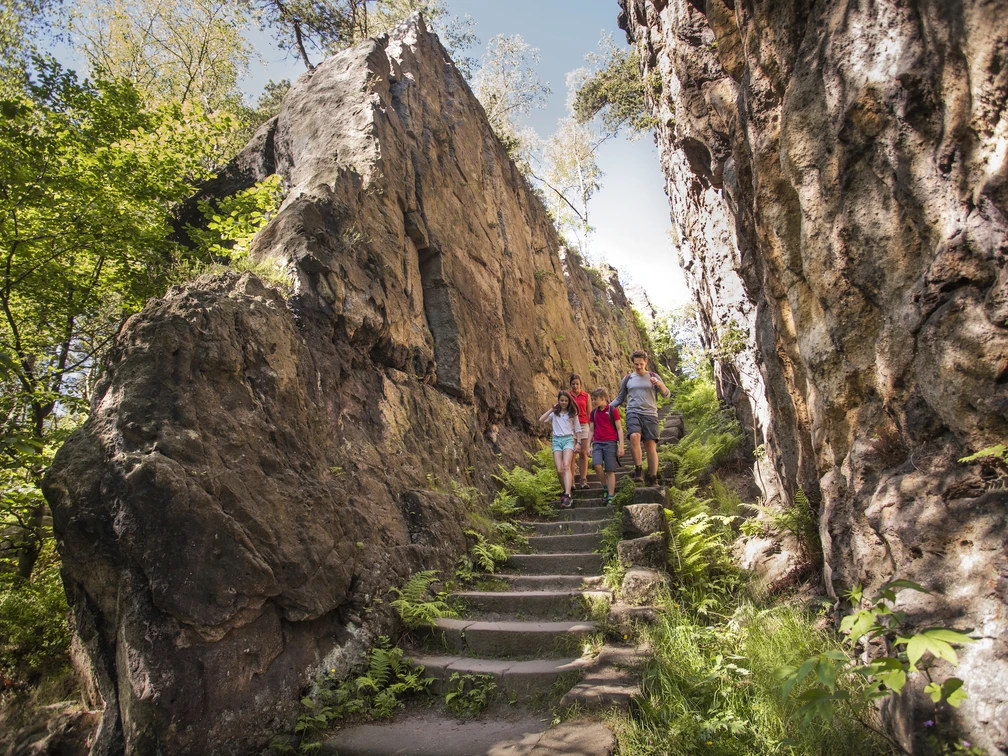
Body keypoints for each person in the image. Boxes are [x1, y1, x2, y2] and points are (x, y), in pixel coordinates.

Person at [610, 350, 670, 485]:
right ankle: (638, 469)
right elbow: (620, 398)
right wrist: (606, 408)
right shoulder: (627, 379)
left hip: (650, 414)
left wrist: (659, 384)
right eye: (636, 364)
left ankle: (653, 477)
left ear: (646, 362)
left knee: (650, 446)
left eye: (641, 364)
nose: (638, 367)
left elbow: (667, 395)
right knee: (634, 436)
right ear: (633, 363)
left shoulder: (654, 376)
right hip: (633, 412)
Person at [538, 390, 582, 508]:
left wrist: (578, 443)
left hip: (568, 439)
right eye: (561, 400)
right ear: (558, 401)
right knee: (559, 470)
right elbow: (541, 419)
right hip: (556, 441)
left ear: (569, 401)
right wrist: (551, 410)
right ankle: (566, 491)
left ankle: (567, 495)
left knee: (566, 466)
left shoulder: (572, 413)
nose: (563, 402)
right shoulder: (555, 414)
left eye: (566, 401)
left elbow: (578, 429)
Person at [587, 387, 624, 505]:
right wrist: (588, 445)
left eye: (595, 399)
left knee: (610, 470)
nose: (593, 401)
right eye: (592, 399)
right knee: (596, 465)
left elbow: (619, 429)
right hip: (597, 443)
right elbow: (591, 430)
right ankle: (605, 487)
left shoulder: (613, 410)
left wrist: (621, 446)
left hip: (610, 443)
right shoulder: (593, 413)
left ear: (603, 398)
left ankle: (611, 495)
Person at [567, 374, 591, 489]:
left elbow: (589, 413)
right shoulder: (568, 396)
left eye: (577, 384)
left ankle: (583, 479)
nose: (575, 386)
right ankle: (571, 480)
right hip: (571, 425)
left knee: (583, 453)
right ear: (570, 385)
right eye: (573, 384)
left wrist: (592, 428)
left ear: (580, 384)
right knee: (572, 454)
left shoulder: (586, 396)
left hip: (583, 424)